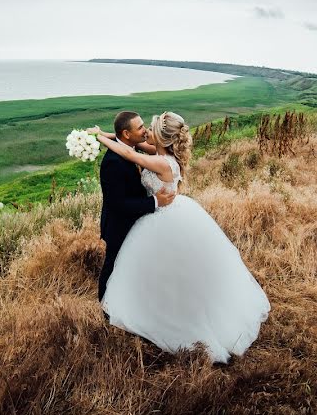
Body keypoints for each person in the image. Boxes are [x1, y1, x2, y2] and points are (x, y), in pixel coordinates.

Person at [88, 112, 270, 363]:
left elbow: (130, 153)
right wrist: (105, 136)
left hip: (163, 215)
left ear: (160, 138)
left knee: (171, 268)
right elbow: (129, 145)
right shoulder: (160, 152)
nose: (146, 133)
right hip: (164, 213)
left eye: (149, 129)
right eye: (143, 129)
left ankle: (176, 315)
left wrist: (98, 137)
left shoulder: (162, 161)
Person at [95, 111, 175, 306]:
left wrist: (102, 135)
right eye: (140, 127)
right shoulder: (112, 163)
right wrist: (155, 202)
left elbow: (130, 152)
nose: (145, 129)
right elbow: (118, 204)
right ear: (127, 134)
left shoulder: (134, 148)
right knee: (113, 265)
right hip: (119, 225)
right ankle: (106, 306)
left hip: (140, 221)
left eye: (145, 126)